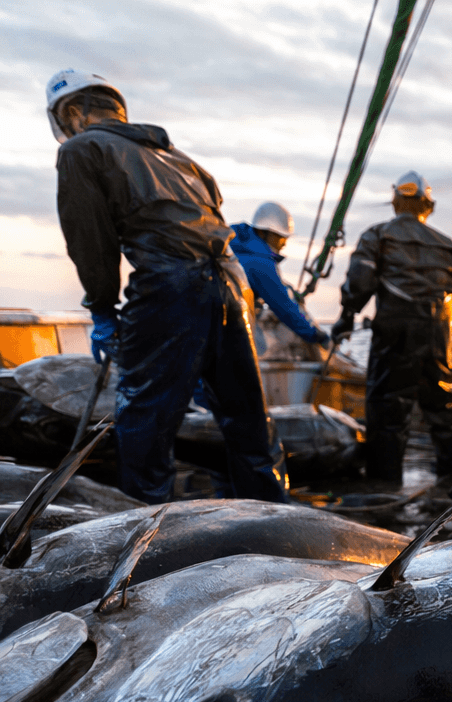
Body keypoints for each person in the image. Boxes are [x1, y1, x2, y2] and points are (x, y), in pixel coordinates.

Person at [48, 69, 288, 505]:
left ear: (73, 113)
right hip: (233, 286)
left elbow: (91, 241)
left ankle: (143, 545)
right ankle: (278, 524)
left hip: (170, 284)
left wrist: (102, 310)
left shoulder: (83, 149)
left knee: (144, 424)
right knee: (249, 422)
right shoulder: (181, 159)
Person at [336, 171, 452, 486]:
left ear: (396, 201)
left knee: (387, 407)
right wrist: (438, 320)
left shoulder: (378, 235)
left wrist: (347, 315)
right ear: (429, 206)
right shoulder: (448, 245)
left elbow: (360, 281)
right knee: (445, 402)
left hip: (395, 328)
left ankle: (386, 487)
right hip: (439, 329)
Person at [229, 202, 330, 357]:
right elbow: (284, 307)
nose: (284, 243)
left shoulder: (238, 247)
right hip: (232, 327)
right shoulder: (259, 262)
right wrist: (315, 334)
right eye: (281, 237)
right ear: (265, 232)